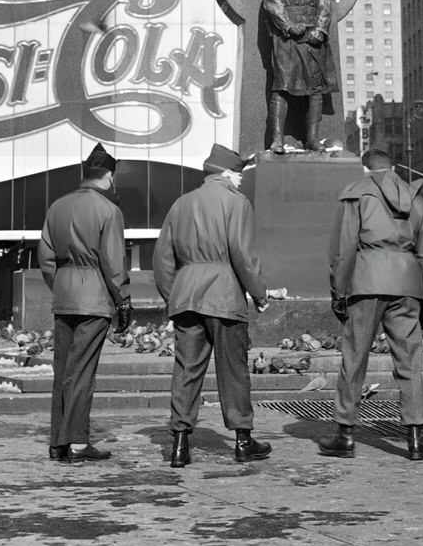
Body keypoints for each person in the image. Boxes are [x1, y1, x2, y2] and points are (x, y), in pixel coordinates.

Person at [154, 143, 270, 468]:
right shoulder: (236, 202)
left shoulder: (180, 205)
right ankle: (243, 440)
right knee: (233, 370)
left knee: (187, 370)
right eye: (239, 173)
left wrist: (172, 295)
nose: (242, 180)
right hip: (224, 295)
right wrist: (259, 293)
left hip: (186, 296)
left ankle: (179, 444)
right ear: (227, 173)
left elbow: (162, 260)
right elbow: (243, 256)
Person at [319, 145, 423, 461]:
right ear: (392, 168)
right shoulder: (415, 198)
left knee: (354, 356)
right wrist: (413, 281)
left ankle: (345, 433)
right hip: (407, 282)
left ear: (366, 168)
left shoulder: (357, 194)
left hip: (366, 280)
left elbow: (343, 250)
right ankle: (414, 437)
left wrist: (338, 291)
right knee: (410, 359)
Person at [38, 144, 131, 463]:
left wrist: (63, 285)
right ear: (107, 175)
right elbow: (114, 264)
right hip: (94, 300)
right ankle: (78, 442)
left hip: (63, 298)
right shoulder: (109, 211)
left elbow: (46, 259)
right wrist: (123, 303)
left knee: (63, 370)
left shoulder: (57, 207)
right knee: (82, 373)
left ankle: (57, 443)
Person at [261, 0, 337, 152]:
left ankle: (312, 138)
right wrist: (288, 25)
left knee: (315, 89)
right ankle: (277, 139)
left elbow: (325, 3)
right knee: (282, 87)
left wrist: (321, 29)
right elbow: (272, 2)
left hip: (312, 37)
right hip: (287, 38)